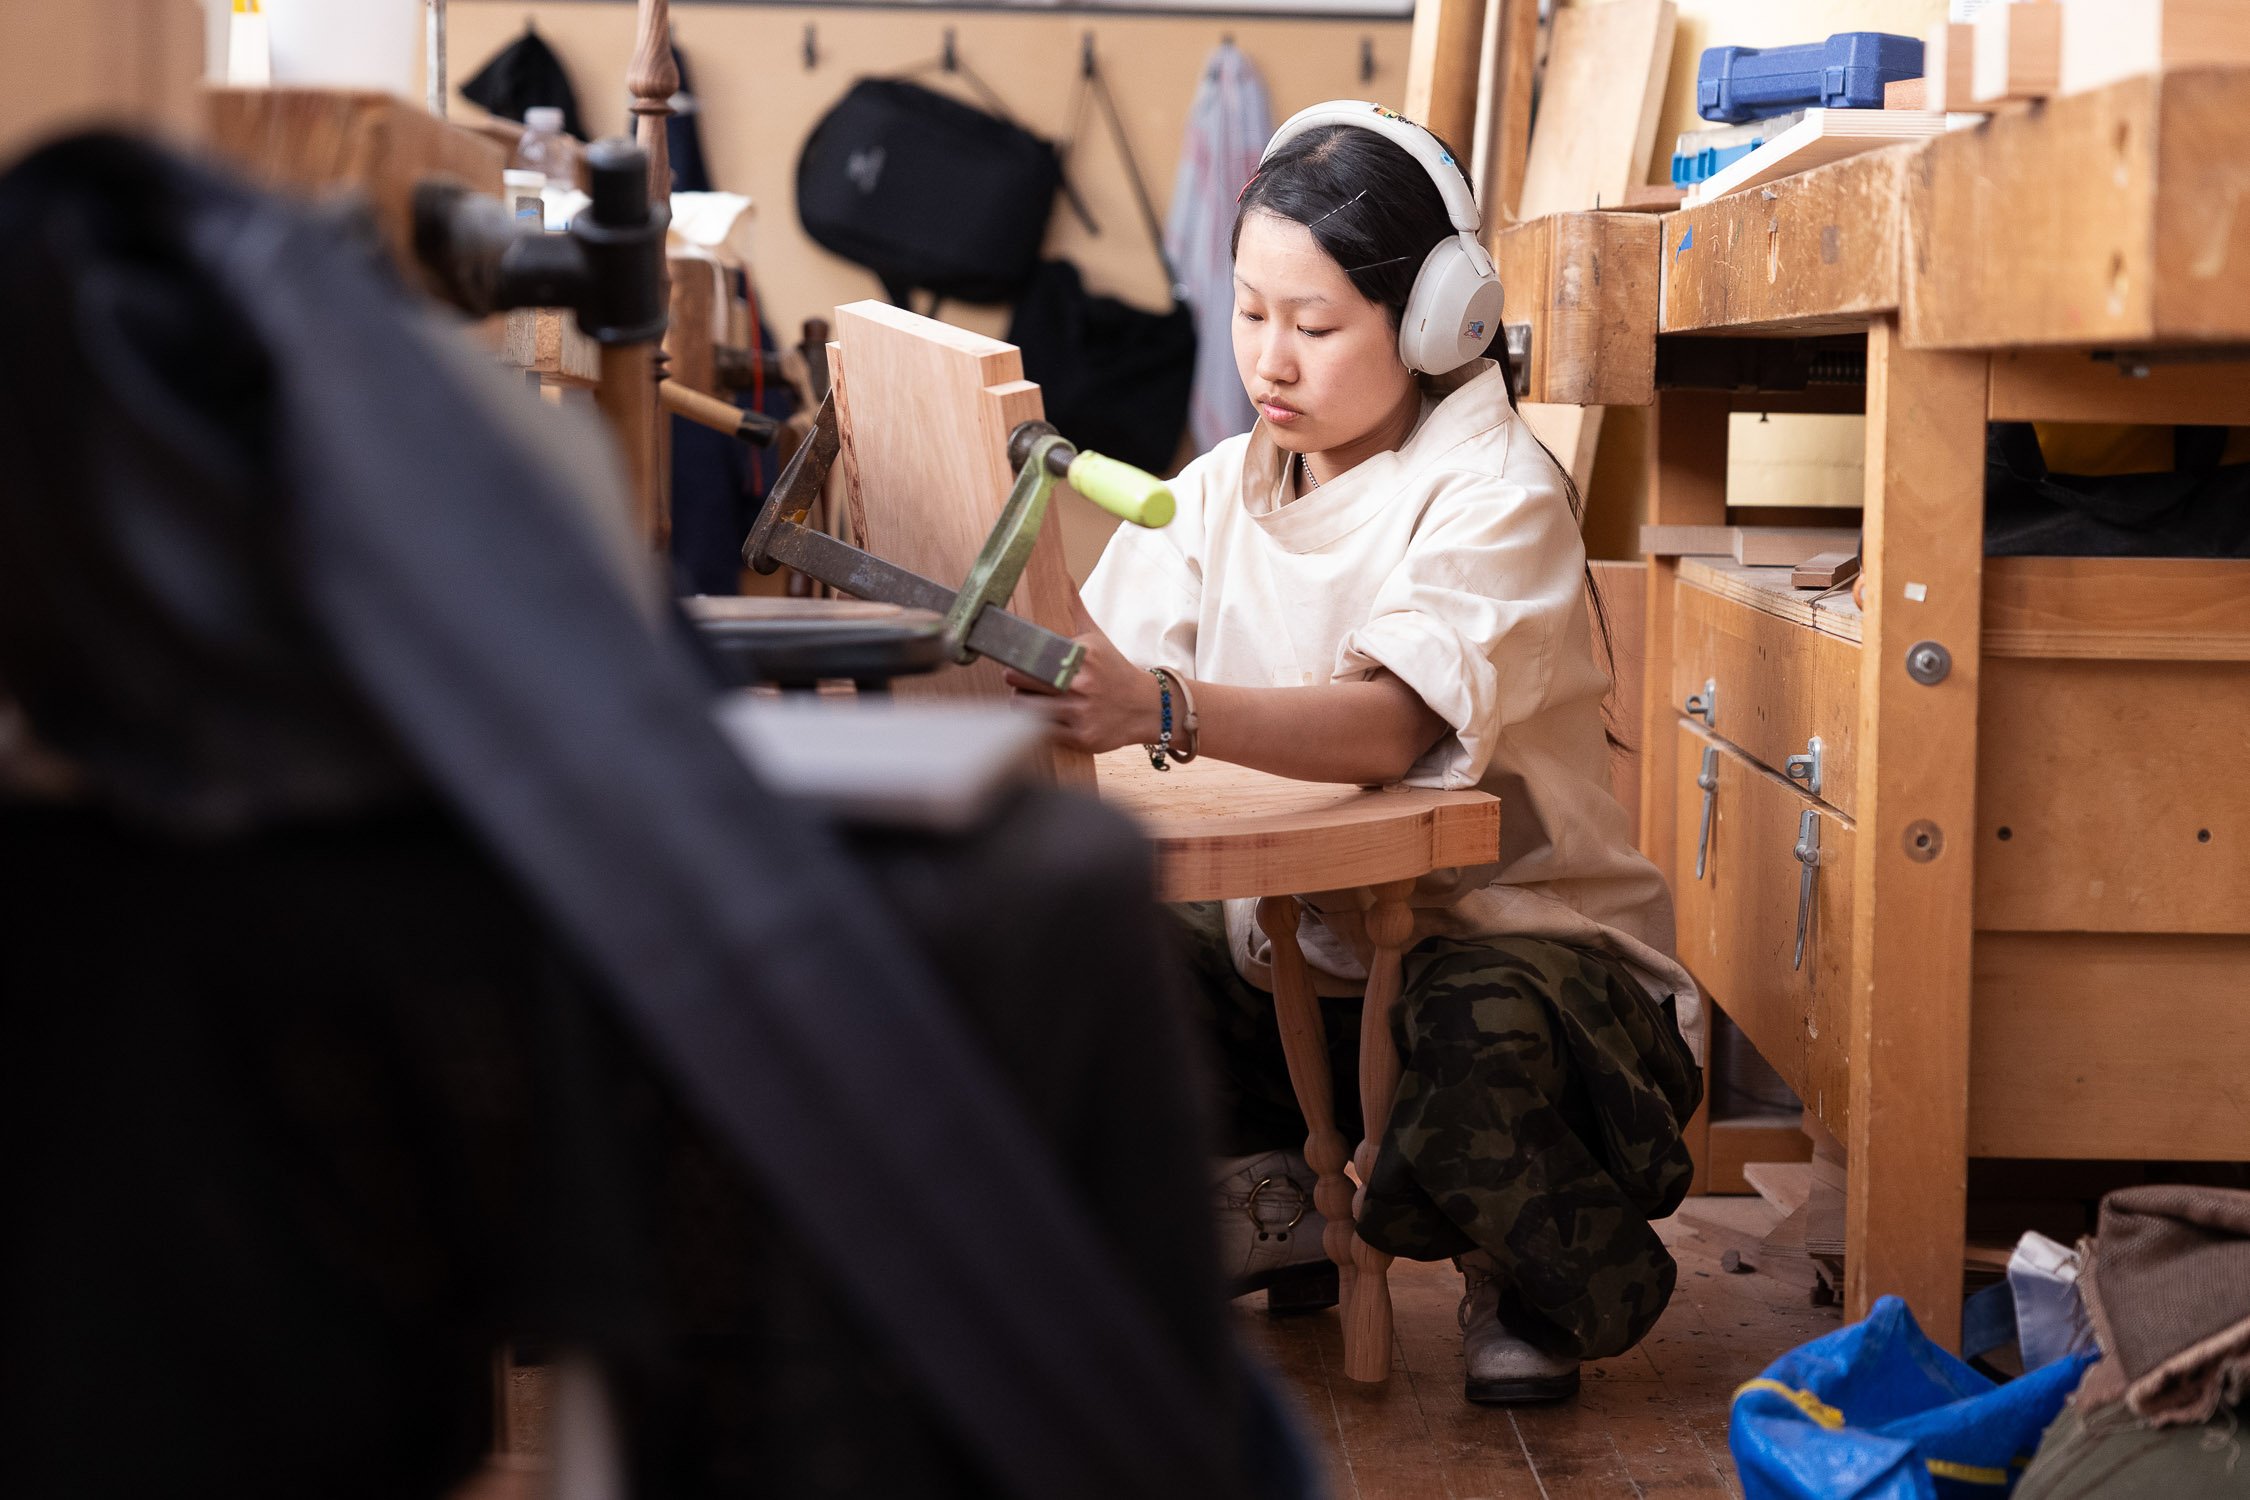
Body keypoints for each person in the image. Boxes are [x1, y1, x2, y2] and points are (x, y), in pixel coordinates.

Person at [1009, 102, 1705, 1405]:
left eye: (1314, 325)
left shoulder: (1494, 493)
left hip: (1516, 962)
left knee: (1471, 1021)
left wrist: (1159, 703)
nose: (1269, 358)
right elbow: (1089, 667)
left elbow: (1387, 728)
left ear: (1433, 322)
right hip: (1289, 956)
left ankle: (1547, 1272)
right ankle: (1279, 1178)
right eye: (1249, 310)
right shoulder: (1225, 485)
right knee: (1079, 943)